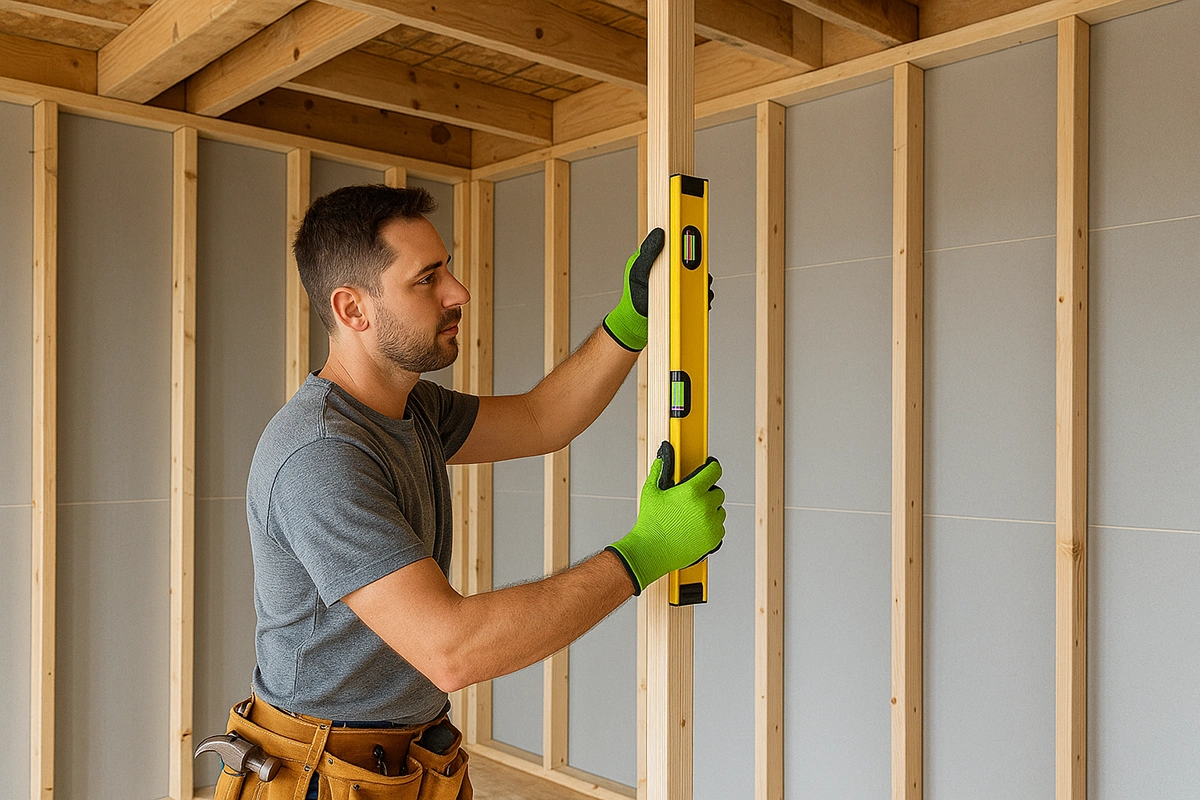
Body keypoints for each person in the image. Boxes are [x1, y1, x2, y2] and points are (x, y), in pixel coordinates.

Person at [217, 184, 726, 800]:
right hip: (320, 775)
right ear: (353, 309)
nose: (458, 291)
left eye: (448, 269)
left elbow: (541, 419)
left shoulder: (412, 408)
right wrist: (644, 552)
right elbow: (450, 649)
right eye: (427, 278)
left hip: (408, 759)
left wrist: (630, 324)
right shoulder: (321, 456)